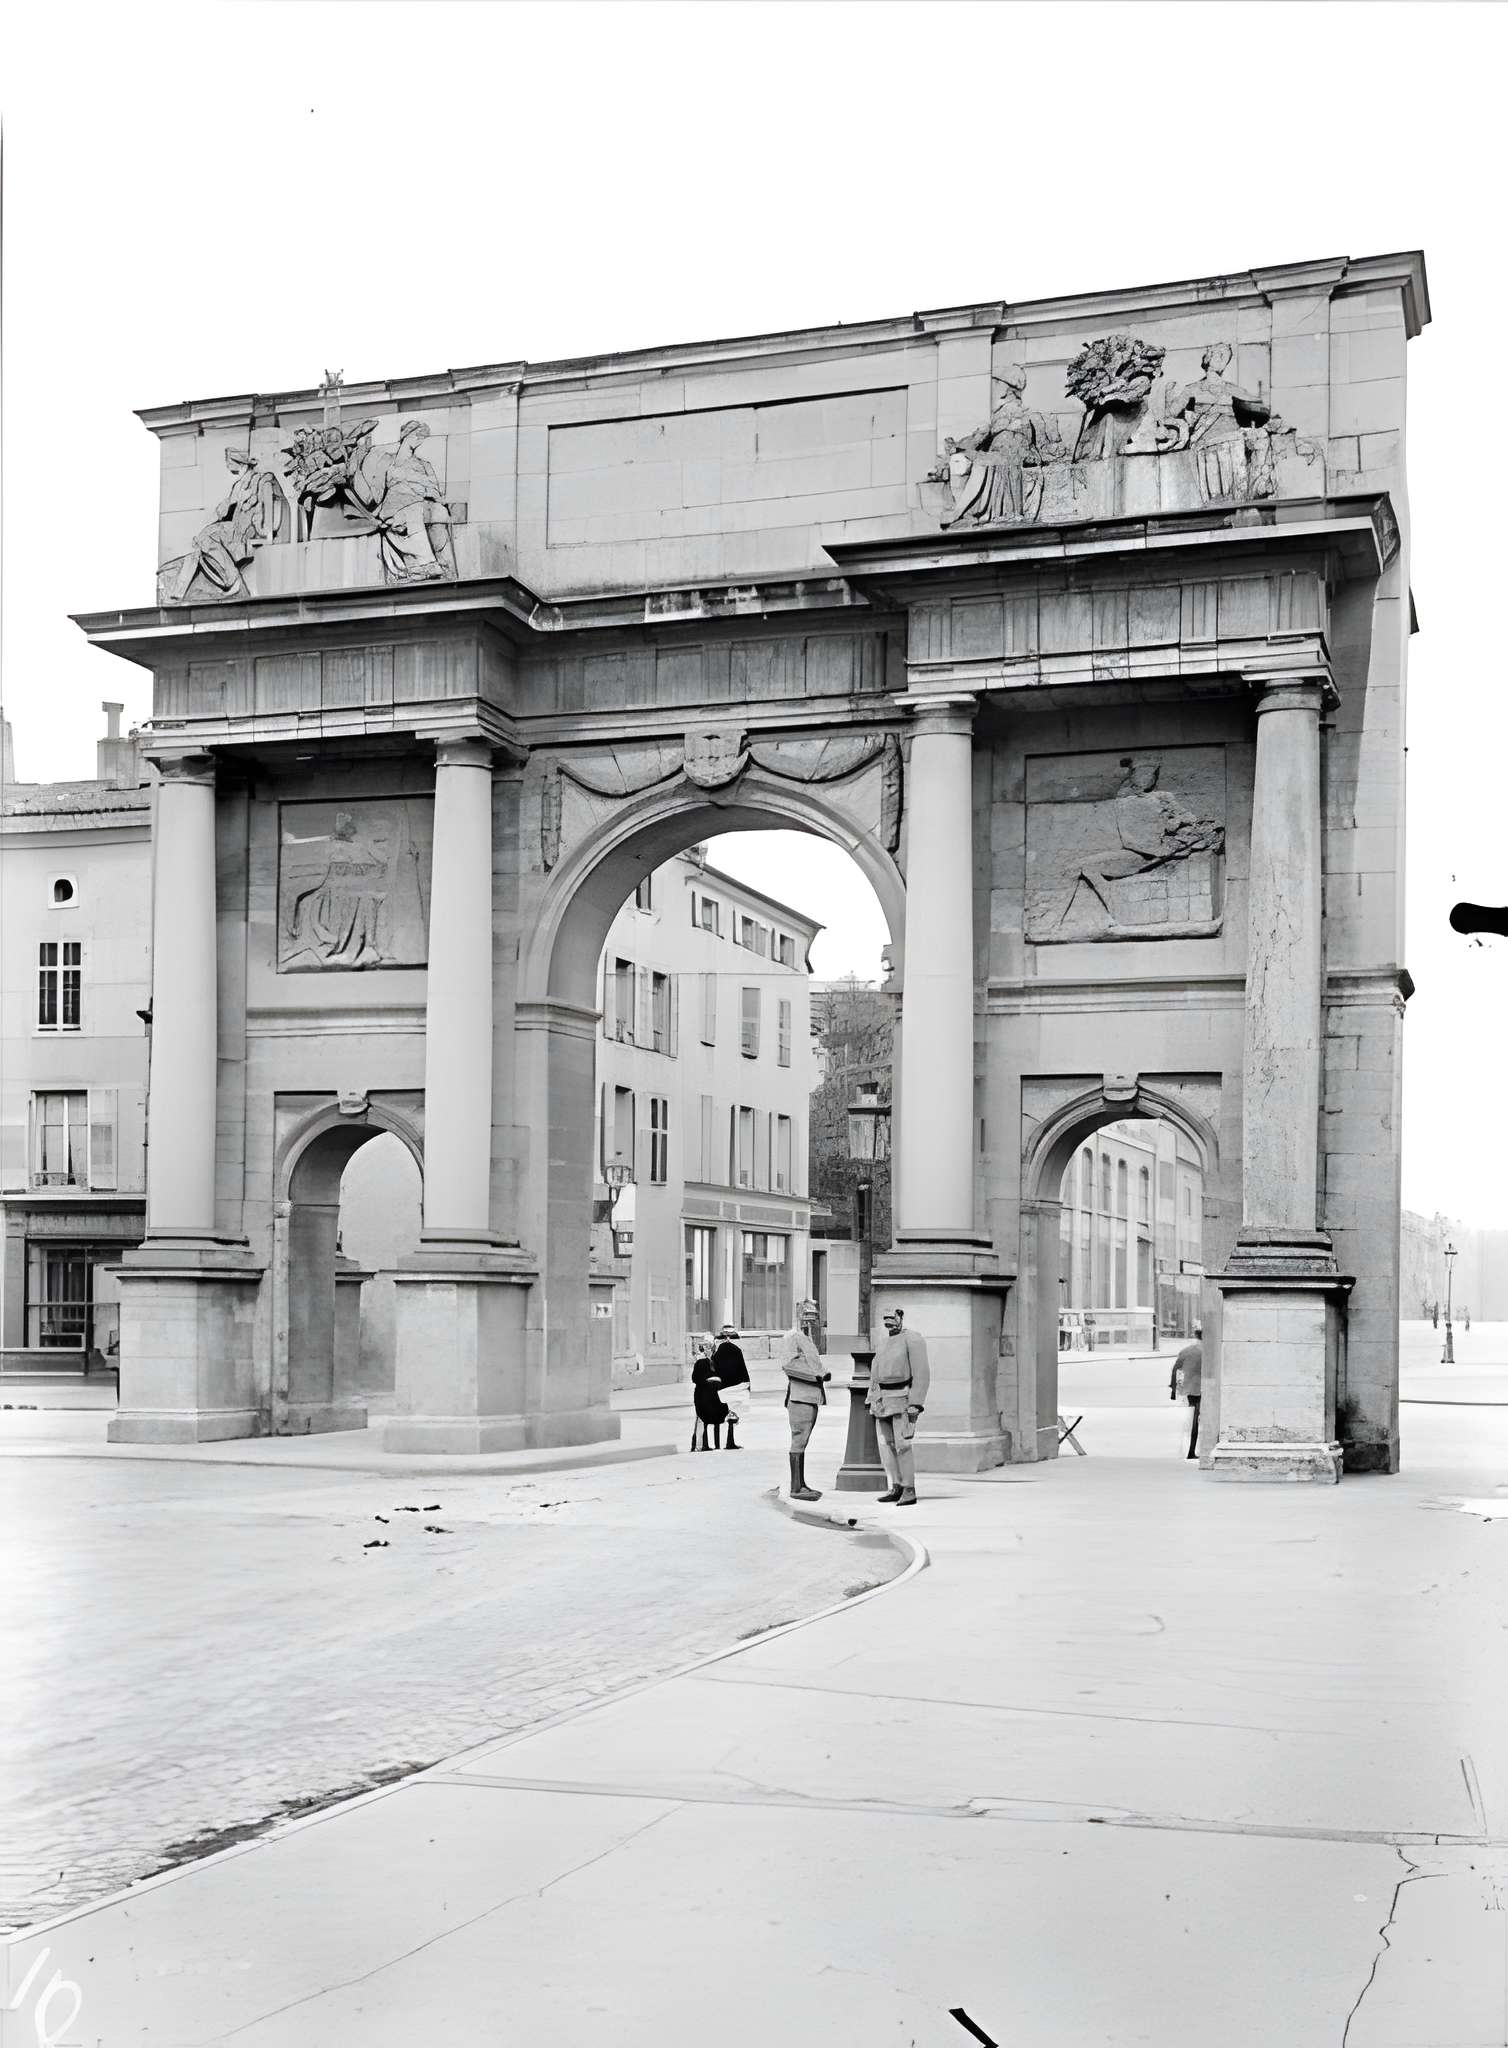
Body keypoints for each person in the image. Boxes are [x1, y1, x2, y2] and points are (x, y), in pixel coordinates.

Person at [868, 1307, 930, 1506]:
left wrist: (915, 1403)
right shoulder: (883, 1342)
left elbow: (922, 1373)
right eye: (885, 1318)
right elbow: (875, 1373)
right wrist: (874, 1397)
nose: (889, 1322)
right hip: (883, 1399)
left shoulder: (913, 1339)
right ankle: (896, 1485)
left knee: (903, 1445)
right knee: (887, 1445)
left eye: (892, 1317)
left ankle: (909, 1488)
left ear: (900, 1317)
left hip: (902, 1397)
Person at [779, 1316, 830, 1501]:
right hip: (800, 1397)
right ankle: (796, 1487)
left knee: (803, 1441)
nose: (810, 1319)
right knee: (799, 1440)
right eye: (806, 1314)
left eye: (814, 1315)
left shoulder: (806, 1338)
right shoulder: (792, 1337)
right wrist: (818, 1375)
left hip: (809, 1396)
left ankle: (800, 1483)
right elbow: (789, 1364)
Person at [710, 1324, 750, 1451]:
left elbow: (713, 1369)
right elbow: (743, 1369)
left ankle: (717, 1443)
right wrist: (747, 1384)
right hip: (735, 1386)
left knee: (720, 1414)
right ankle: (729, 1441)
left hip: (721, 1386)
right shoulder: (736, 1350)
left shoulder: (717, 1353)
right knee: (732, 1414)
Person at [1170, 1323, 1203, 1460]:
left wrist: (1175, 1388)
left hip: (1189, 1391)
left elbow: (1177, 1370)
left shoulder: (1186, 1350)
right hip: (1204, 1390)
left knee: (1193, 1421)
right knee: (1197, 1421)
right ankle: (1192, 1451)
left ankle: (1190, 1450)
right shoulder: (1211, 1351)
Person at [690, 1341, 727, 1452]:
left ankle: (716, 1444)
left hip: (715, 1395)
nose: (708, 1350)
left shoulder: (717, 1361)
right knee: (702, 1419)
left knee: (717, 1418)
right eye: (705, 1347)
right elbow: (695, 1378)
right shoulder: (700, 1362)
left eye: (710, 1347)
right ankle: (701, 1445)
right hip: (703, 1395)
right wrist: (707, 1381)